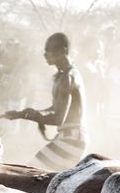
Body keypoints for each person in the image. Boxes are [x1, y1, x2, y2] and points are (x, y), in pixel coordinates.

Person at [6, 32, 88, 171]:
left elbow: (58, 119)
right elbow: (58, 108)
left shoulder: (67, 78)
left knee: (31, 173)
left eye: (49, 50)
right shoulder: (64, 76)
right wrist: (23, 114)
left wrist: (32, 116)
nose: (45, 54)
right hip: (70, 137)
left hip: (72, 139)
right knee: (34, 174)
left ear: (63, 51)